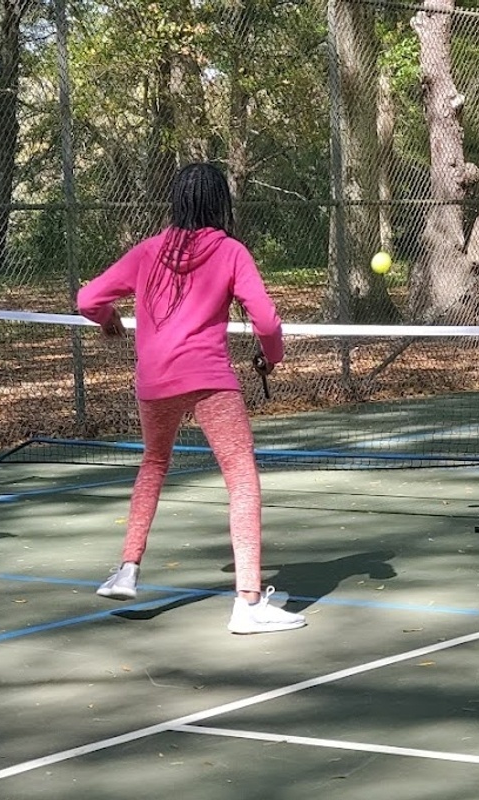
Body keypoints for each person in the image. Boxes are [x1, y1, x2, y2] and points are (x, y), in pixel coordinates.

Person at [77, 162, 305, 634]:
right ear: (220, 202)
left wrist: (106, 319)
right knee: (241, 477)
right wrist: (272, 357)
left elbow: (88, 298)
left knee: (154, 464)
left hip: (154, 381)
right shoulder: (231, 252)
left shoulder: (147, 252)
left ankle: (128, 569)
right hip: (209, 379)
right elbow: (265, 322)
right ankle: (247, 603)